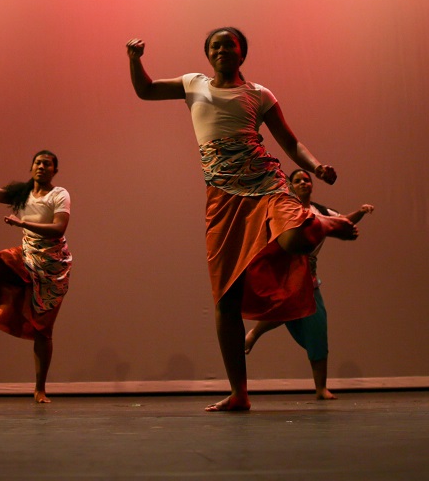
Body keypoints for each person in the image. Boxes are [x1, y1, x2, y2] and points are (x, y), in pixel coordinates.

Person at [126, 28, 358, 412]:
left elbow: (289, 142)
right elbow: (146, 90)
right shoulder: (192, 84)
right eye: (214, 45)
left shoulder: (259, 94)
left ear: (241, 53)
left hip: (266, 183)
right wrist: (135, 61)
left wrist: (317, 168)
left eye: (228, 45)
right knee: (226, 298)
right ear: (207, 54)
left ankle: (328, 222)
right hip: (223, 198)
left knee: (294, 240)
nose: (221, 50)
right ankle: (239, 393)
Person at [243, 169, 373, 400]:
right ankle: (255, 333)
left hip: (309, 277)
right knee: (285, 307)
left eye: (307, 180)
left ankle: (321, 388)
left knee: (317, 331)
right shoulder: (285, 209)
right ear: (291, 186)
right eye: (298, 181)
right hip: (286, 270)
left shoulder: (320, 212)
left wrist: (361, 212)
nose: (303, 183)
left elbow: (342, 221)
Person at [0, 141, 72, 403]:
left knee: (43, 331)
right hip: (26, 255)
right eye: (38, 162)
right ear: (32, 167)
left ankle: (40, 388)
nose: (42, 166)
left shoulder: (59, 194)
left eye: (47, 164)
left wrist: (22, 222)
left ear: (54, 170)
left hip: (51, 265)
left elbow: (58, 229)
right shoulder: (22, 194)